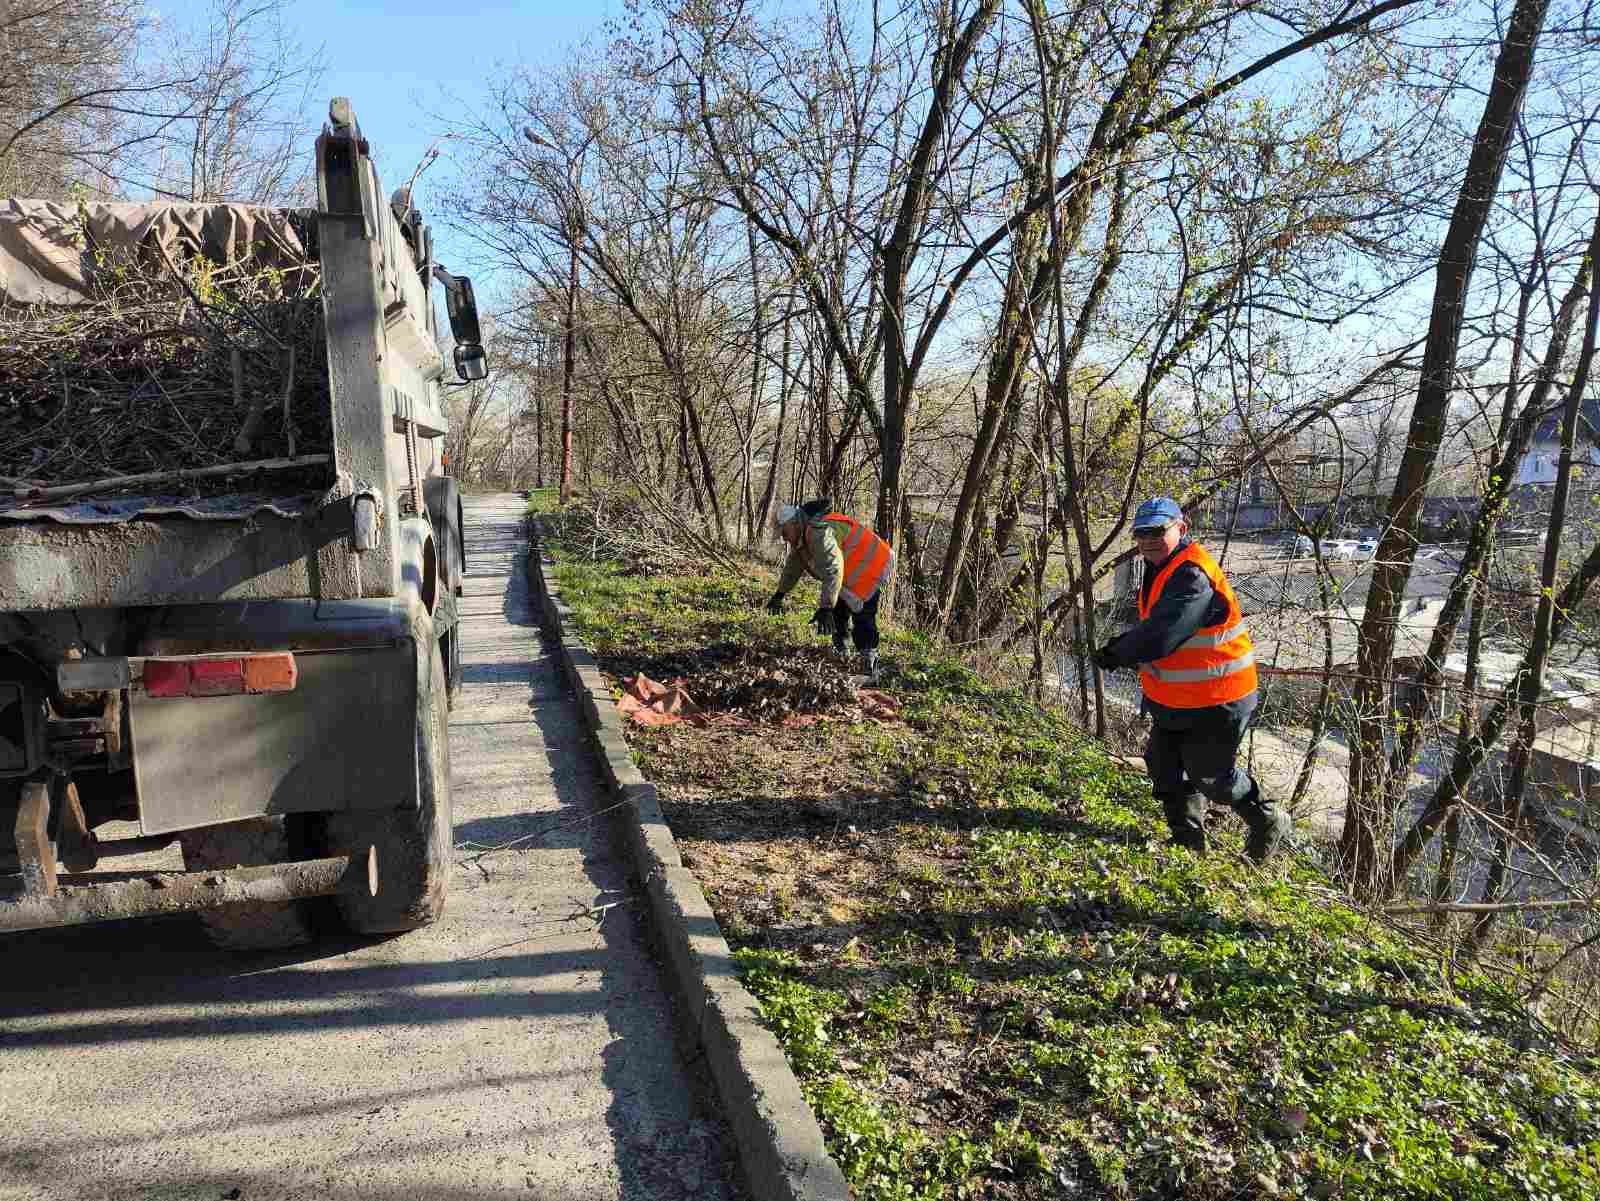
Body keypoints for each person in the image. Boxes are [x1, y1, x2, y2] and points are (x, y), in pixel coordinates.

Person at [1093, 497, 1291, 861]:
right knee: (1165, 767)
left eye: (1157, 531)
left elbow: (1163, 634)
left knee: (1212, 776)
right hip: (1179, 697)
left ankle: (1268, 819)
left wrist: (1118, 651)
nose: (1148, 540)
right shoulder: (1160, 567)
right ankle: (1188, 845)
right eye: (1141, 533)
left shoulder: (1192, 575)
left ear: (1181, 529)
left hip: (1219, 697)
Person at [765, 500, 895, 678]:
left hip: (873, 564)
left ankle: (869, 668)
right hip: (852, 570)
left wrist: (825, 607)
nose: (784, 538)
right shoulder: (802, 537)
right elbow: (793, 567)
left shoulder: (818, 533)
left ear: (794, 524)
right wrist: (779, 594)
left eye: (784, 533)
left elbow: (833, 569)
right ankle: (842, 655)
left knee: (862, 616)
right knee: (838, 611)